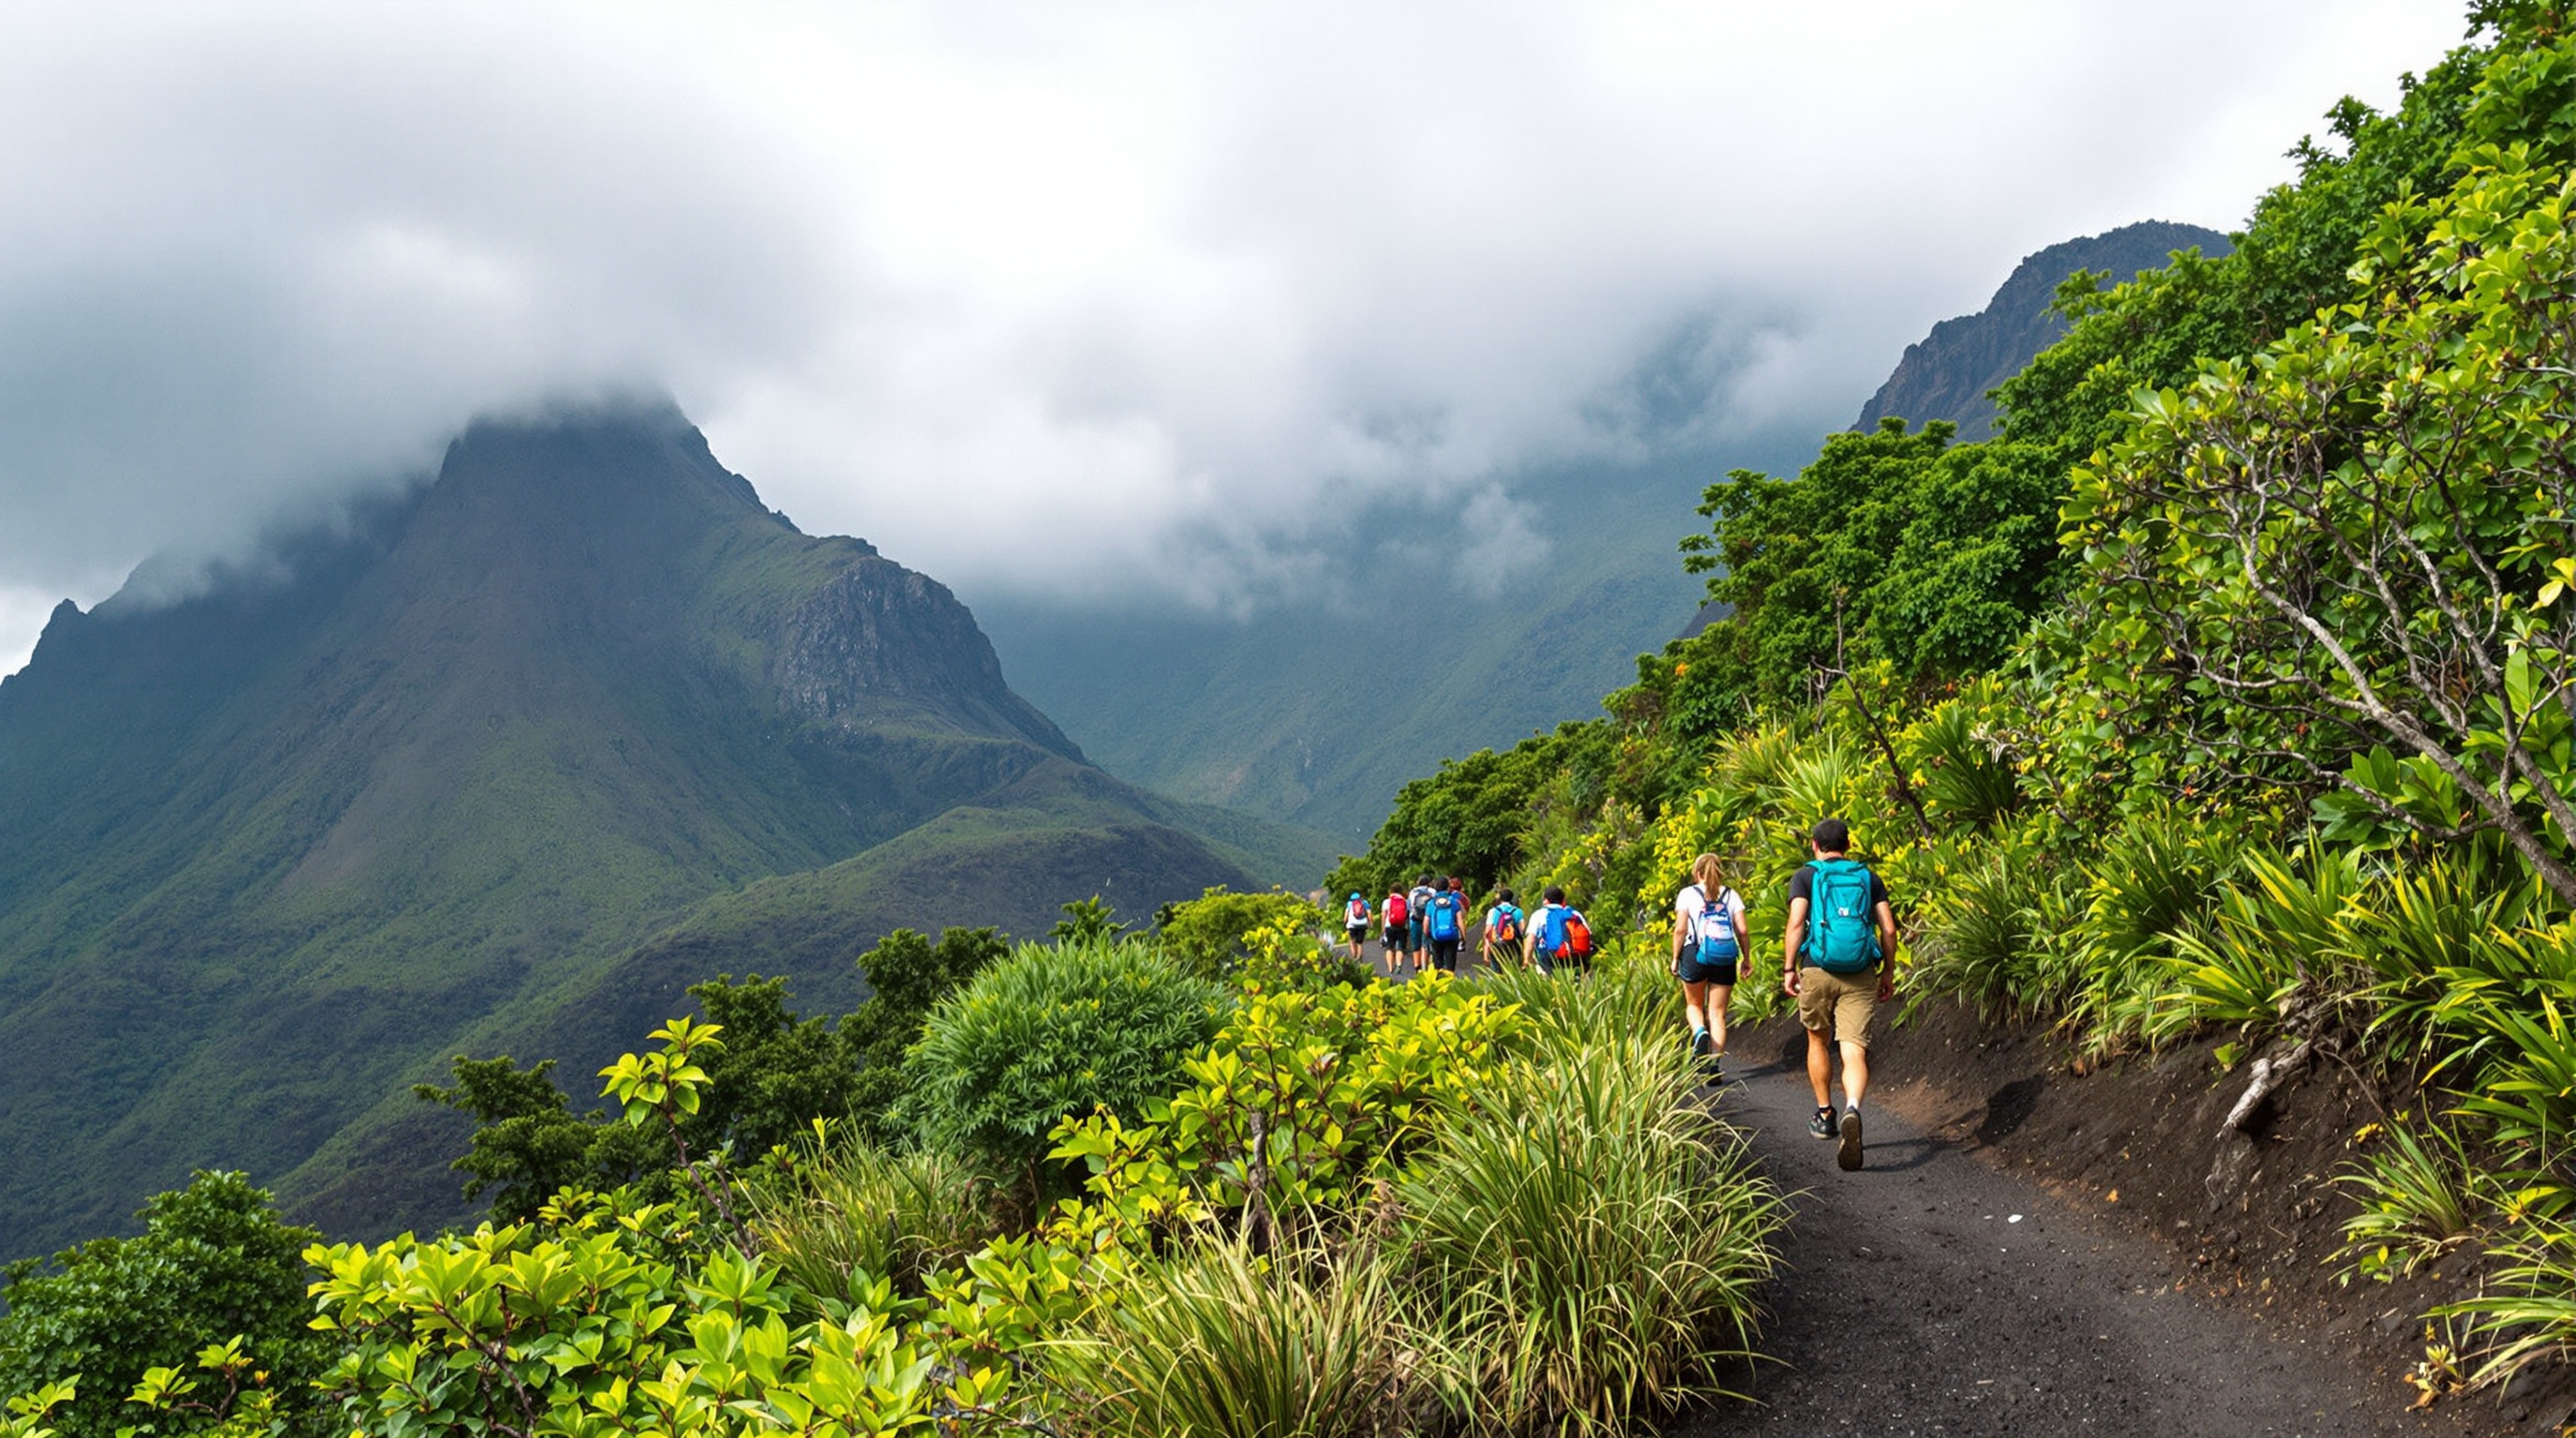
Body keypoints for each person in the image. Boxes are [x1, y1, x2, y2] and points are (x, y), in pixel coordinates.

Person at [1782, 817, 1897, 1172]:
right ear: (1847, 846)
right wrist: (1889, 970)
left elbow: (1797, 922)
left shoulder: (1806, 875)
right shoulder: (1867, 877)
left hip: (1817, 966)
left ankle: (1826, 1114)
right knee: (1853, 1049)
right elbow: (1888, 928)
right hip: (1860, 971)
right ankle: (1853, 1108)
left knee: (1818, 1041)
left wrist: (1789, 967)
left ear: (1815, 846)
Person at [1672, 852, 1748, 1084]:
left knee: (1694, 1005)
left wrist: (1675, 957)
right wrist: (1747, 958)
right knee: (1718, 1014)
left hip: (1694, 952)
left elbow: (1680, 929)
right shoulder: (1731, 895)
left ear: (1697, 873)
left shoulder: (1687, 895)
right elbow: (1743, 930)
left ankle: (1699, 1033)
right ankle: (1714, 1067)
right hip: (1724, 956)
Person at [1529, 885, 1593, 976]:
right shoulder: (1574, 914)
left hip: (1551, 960)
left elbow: (1531, 939)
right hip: (1575, 958)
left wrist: (1528, 958)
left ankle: (1552, 985)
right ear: (1563, 900)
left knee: (1543, 960)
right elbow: (1588, 935)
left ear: (1546, 901)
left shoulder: (1539, 914)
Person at [1423, 876, 1469, 974]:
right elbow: (1460, 920)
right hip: (1452, 936)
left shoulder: (1431, 903)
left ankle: (1439, 983)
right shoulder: (1454, 902)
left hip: (1436, 936)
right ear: (1448, 887)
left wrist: (1426, 934)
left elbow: (1426, 921)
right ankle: (1450, 983)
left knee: (1437, 964)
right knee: (1450, 964)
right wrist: (1463, 937)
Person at [1483, 886, 1526, 968]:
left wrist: (1486, 952)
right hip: (1514, 946)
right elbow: (1523, 931)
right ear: (1511, 898)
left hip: (1497, 945)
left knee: (1498, 970)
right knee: (1515, 968)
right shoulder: (1518, 912)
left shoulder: (1493, 911)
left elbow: (1488, 932)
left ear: (1500, 899)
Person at [1406, 873, 1437, 975]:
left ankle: (1417, 967)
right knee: (1425, 944)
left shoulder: (1413, 892)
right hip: (1428, 921)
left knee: (1416, 945)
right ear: (1429, 882)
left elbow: (1409, 907)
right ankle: (1425, 967)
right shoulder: (1432, 891)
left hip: (1415, 920)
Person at [1382, 885, 1412, 975]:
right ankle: (1399, 965)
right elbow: (1407, 915)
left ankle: (1390, 969)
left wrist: (1383, 928)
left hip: (1389, 926)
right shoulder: (1406, 901)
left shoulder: (1387, 901)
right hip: (1402, 927)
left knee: (1390, 947)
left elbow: (1384, 916)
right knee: (1400, 948)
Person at [1342, 891, 1372, 961]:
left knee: (1352, 940)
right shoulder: (1365, 903)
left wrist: (1344, 922)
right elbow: (1369, 913)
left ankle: (1354, 956)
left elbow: (1346, 915)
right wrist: (1370, 923)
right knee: (1360, 942)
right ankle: (1359, 957)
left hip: (1352, 925)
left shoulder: (1349, 904)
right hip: (1362, 924)